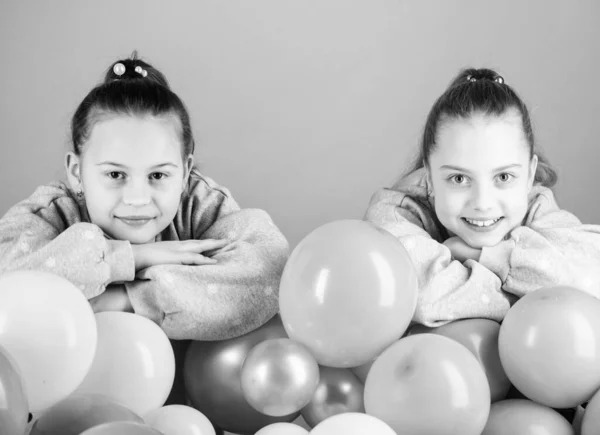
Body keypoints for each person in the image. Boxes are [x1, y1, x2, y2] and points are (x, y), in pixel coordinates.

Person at [0, 53, 289, 342]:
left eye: (158, 176)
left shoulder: (200, 204)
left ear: (185, 171)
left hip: (187, 384)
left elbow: (269, 268)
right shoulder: (52, 211)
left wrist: (129, 300)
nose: (138, 198)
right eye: (115, 175)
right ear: (77, 172)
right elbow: (9, 279)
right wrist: (130, 257)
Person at [364, 67, 600, 328]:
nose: (483, 202)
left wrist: (485, 256)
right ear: (428, 177)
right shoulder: (394, 212)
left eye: (503, 177)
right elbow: (423, 297)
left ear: (530, 175)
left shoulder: (536, 204)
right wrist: (534, 296)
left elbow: (593, 272)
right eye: (459, 179)